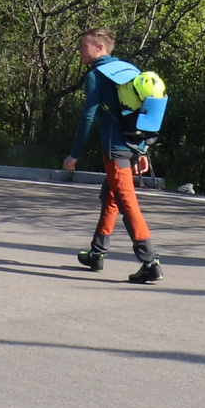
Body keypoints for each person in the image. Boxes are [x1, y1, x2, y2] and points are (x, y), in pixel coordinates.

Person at [60, 27, 164, 284]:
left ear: (100, 48)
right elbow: (143, 112)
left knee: (127, 203)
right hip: (133, 146)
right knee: (111, 197)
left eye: (84, 46)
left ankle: (150, 262)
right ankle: (97, 254)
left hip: (115, 150)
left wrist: (74, 155)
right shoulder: (128, 70)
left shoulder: (96, 75)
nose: (80, 50)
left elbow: (88, 117)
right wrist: (142, 150)